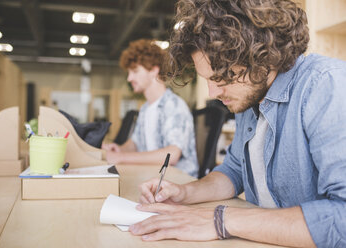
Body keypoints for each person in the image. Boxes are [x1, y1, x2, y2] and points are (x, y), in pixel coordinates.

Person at [128, 0, 346, 247]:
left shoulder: (328, 86)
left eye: (222, 77)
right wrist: (185, 193)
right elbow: (234, 171)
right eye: (208, 79)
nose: (212, 92)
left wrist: (220, 220)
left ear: (263, 54)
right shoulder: (250, 96)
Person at [102, 39, 198, 177]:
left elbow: (172, 154)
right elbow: (135, 142)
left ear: (153, 70)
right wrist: (119, 150)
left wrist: (121, 158)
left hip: (179, 179)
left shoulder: (174, 105)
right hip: (153, 175)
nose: (129, 78)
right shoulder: (145, 109)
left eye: (134, 71)